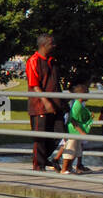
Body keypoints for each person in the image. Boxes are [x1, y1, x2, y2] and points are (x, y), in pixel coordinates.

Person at [25, 35, 65, 171]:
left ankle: (42, 158)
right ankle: (38, 164)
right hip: (40, 106)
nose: (54, 46)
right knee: (40, 136)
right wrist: (46, 102)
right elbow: (34, 84)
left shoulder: (52, 61)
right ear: (43, 45)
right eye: (52, 43)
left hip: (56, 104)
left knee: (59, 131)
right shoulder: (33, 61)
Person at [60, 83, 93, 174]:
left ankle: (69, 168)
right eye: (87, 93)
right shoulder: (77, 105)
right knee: (70, 150)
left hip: (76, 132)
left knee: (76, 150)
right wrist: (81, 132)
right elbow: (73, 120)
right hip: (73, 131)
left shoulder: (80, 105)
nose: (89, 95)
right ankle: (64, 169)